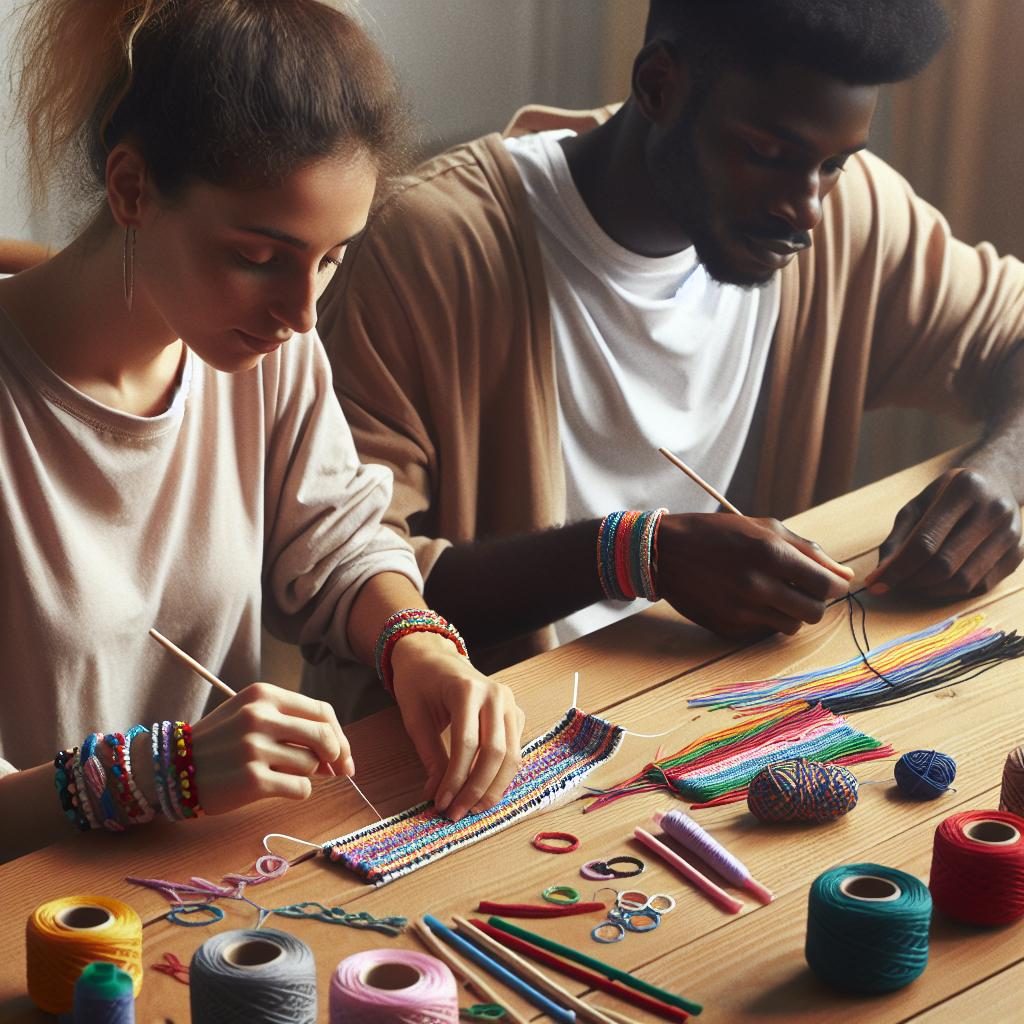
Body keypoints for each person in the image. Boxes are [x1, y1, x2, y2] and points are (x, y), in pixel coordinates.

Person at [312, 0, 1024, 699]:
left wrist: (1005, 469)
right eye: (767, 153)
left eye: (833, 163)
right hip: (477, 755)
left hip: (714, 721)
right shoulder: (428, 245)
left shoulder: (851, 218)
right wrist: (632, 556)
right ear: (659, 86)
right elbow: (341, 573)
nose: (805, 207)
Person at [0, 0, 525, 863]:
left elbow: (340, 550)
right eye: (257, 256)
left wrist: (418, 645)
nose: (302, 312)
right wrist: (157, 773)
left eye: (331, 258)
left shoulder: (262, 352)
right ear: (131, 188)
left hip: (211, 890)